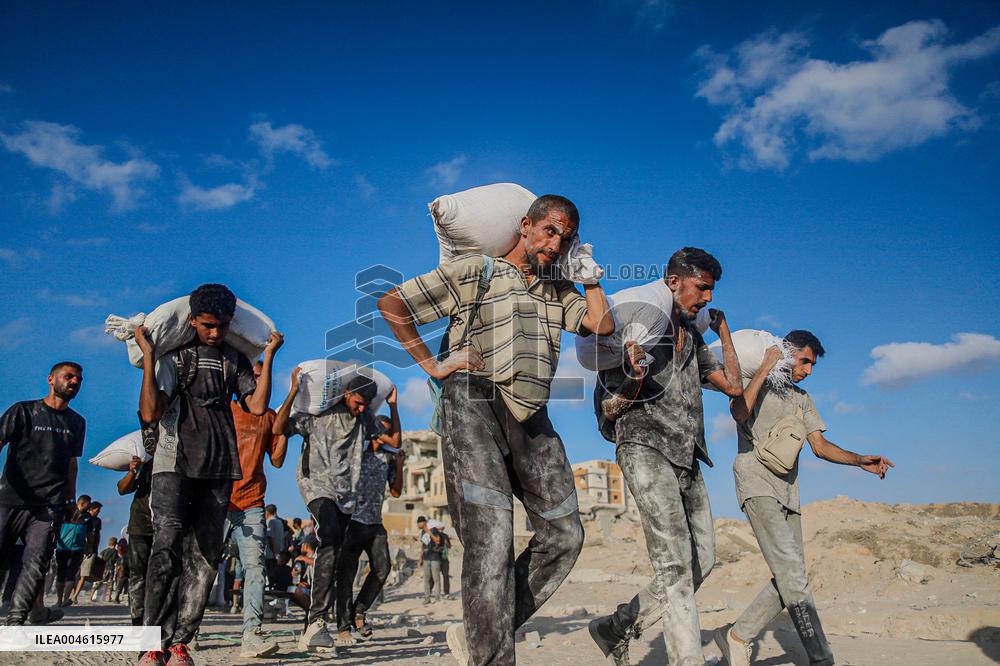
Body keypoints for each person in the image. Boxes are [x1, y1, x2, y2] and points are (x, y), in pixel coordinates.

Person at [379, 194, 613, 665]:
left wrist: (590, 278)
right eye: (549, 230)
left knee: (565, 534)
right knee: (490, 537)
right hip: (473, 402)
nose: (555, 243)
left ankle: (483, 631)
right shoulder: (477, 271)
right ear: (525, 226)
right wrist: (435, 366)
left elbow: (600, 325)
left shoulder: (558, 288)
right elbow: (392, 304)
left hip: (531, 413)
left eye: (565, 238)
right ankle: (491, 655)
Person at [589, 247, 745, 666]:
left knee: (702, 559)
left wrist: (723, 332)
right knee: (674, 565)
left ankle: (616, 627)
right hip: (644, 445)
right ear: (673, 281)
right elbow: (609, 405)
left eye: (712, 291)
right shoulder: (640, 325)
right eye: (702, 288)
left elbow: (733, 387)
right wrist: (633, 373)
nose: (707, 298)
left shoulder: (691, 335)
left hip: (688, 452)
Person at [714, 331, 895, 666]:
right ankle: (822, 659)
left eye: (812, 365)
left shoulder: (803, 399)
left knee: (793, 577)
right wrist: (765, 367)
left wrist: (859, 460)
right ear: (787, 354)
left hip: (789, 493)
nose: (808, 370)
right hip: (756, 483)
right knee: (793, 576)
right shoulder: (755, 381)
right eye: (805, 361)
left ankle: (736, 635)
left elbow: (820, 447)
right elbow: (739, 413)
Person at [135, 283, 283, 666]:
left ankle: (181, 643)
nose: (215, 333)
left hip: (219, 466)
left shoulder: (235, 360)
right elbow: (150, 412)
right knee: (166, 548)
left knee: (204, 558)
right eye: (207, 325)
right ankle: (152, 643)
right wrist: (149, 357)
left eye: (222, 326)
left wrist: (269, 357)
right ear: (192, 321)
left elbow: (257, 406)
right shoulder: (175, 358)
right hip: (173, 464)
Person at [273, 370, 388, 654]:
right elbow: (279, 428)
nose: (360, 409)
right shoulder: (318, 414)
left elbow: (392, 438)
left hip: (346, 495)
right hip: (316, 487)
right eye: (357, 402)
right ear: (347, 393)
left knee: (334, 551)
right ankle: (317, 622)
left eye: (365, 405)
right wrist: (292, 391)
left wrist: (393, 404)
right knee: (330, 534)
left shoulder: (364, 419)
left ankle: (313, 625)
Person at [0, 361, 85, 626]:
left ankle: (16, 621)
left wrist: (70, 499)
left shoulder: (77, 422)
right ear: (51, 379)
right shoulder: (23, 411)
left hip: (49, 505)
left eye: (78, 379)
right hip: (10, 498)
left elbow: (71, 463)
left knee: (36, 563)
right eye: (68, 376)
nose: (74, 382)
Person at [221, 359, 288, 658]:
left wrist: (284, 428)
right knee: (204, 566)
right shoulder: (225, 410)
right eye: (255, 377)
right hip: (218, 501)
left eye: (263, 378)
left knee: (256, 567)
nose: (260, 383)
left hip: (252, 502)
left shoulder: (270, 417)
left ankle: (252, 633)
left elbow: (277, 460)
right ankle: (188, 632)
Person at [336, 409, 403, 644]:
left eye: (387, 432)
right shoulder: (357, 453)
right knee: (346, 576)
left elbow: (396, 492)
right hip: (352, 522)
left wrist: (400, 464)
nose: (383, 436)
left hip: (375, 524)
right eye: (380, 431)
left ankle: (359, 611)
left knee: (383, 568)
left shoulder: (388, 459)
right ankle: (343, 626)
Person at [118, 454, 152, 626]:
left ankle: (157, 619)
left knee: (166, 575)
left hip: (169, 526)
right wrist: (132, 471)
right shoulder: (144, 463)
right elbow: (122, 489)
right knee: (138, 575)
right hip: (141, 526)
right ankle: (138, 621)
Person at [55, 495, 91, 607]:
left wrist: (89, 547)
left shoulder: (87, 517)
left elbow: (89, 534)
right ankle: (59, 600)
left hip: (78, 549)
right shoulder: (67, 513)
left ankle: (66, 599)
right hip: (62, 548)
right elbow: (56, 527)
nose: (90, 506)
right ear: (82, 503)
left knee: (71, 574)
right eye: (89, 504)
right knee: (61, 574)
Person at [72, 500, 103, 603]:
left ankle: (75, 595)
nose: (98, 512)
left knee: (83, 575)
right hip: (80, 548)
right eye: (97, 510)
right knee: (75, 573)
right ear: (91, 509)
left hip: (92, 550)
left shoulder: (98, 521)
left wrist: (96, 548)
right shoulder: (83, 518)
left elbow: (97, 535)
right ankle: (72, 593)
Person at [416, 516, 446, 605]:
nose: (418, 525)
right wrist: (420, 558)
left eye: (419, 523)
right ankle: (427, 598)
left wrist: (429, 532)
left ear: (423, 522)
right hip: (426, 557)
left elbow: (437, 541)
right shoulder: (422, 532)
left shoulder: (433, 530)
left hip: (435, 557)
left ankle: (437, 597)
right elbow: (423, 545)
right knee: (427, 579)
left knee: (436, 578)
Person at [90, 536, 119, 602]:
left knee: (98, 582)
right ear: (115, 544)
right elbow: (117, 560)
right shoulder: (116, 552)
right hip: (111, 568)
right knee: (110, 583)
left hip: (103, 568)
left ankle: (91, 597)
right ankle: (109, 598)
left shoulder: (105, 551)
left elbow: (100, 557)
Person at [264, 504, 284, 587]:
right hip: (278, 553)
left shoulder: (270, 521)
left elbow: (271, 537)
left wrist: (274, 551)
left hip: (270, 554)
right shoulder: (279, 522)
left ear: (267, 512)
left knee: (269, 576)